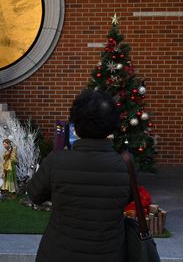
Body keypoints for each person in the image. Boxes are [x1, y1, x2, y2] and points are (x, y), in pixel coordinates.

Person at [27, 89, 130, 262]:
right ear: (112, 125)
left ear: (76, 124)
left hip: (58, 253)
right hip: (109, 254)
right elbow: (126, 200)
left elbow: (34, 194)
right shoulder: (124, 165)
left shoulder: (57, 160)